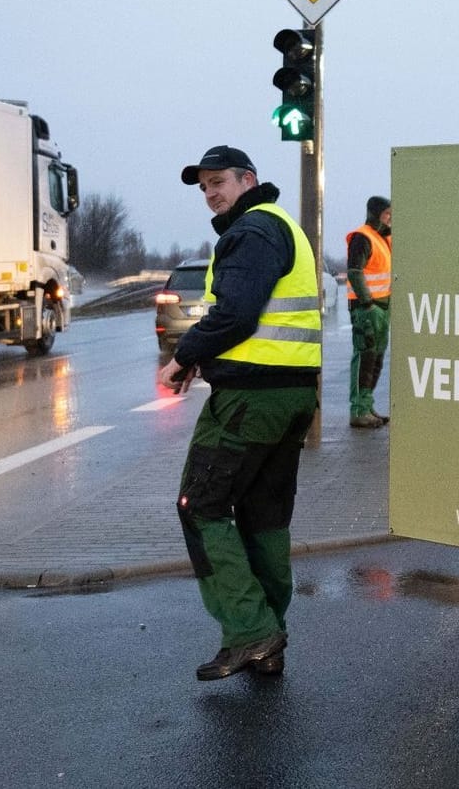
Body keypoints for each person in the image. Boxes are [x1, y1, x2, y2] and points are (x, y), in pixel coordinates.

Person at [157, 145, 321, 681]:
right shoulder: (279, 225)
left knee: (201, 505)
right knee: (263, 513)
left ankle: (251, 633)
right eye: (203, 187)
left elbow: (236, 313)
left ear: (247, 179)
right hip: (291, 395)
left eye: (218, 182)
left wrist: (183, 356)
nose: (210, 193)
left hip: (250, 400)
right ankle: (268, 637)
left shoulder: (250, 231)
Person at [346, 195, 393, 429]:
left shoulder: (383, 238)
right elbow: (355, 271)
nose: (390, 219)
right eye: (387, 214)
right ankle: (358, 409)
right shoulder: (362, 237)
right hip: (368, 309)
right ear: (376, 214)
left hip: (382, 307)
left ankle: (367, 404)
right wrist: (367, 303)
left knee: (376, 359)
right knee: (365, 357)